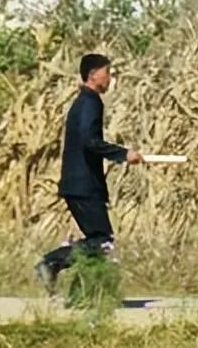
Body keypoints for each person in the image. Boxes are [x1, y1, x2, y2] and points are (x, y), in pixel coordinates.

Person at [35, 53, 143, 293]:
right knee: (101, 241)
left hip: (81, 184)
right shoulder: (90, 102)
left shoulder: (85, 101)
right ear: (94, 75)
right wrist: (123, 154)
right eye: (108, 73)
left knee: (99, 242)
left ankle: (83, 295)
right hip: (83, 185)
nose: (110, 78)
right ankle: (51, 263)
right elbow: (89, 141)